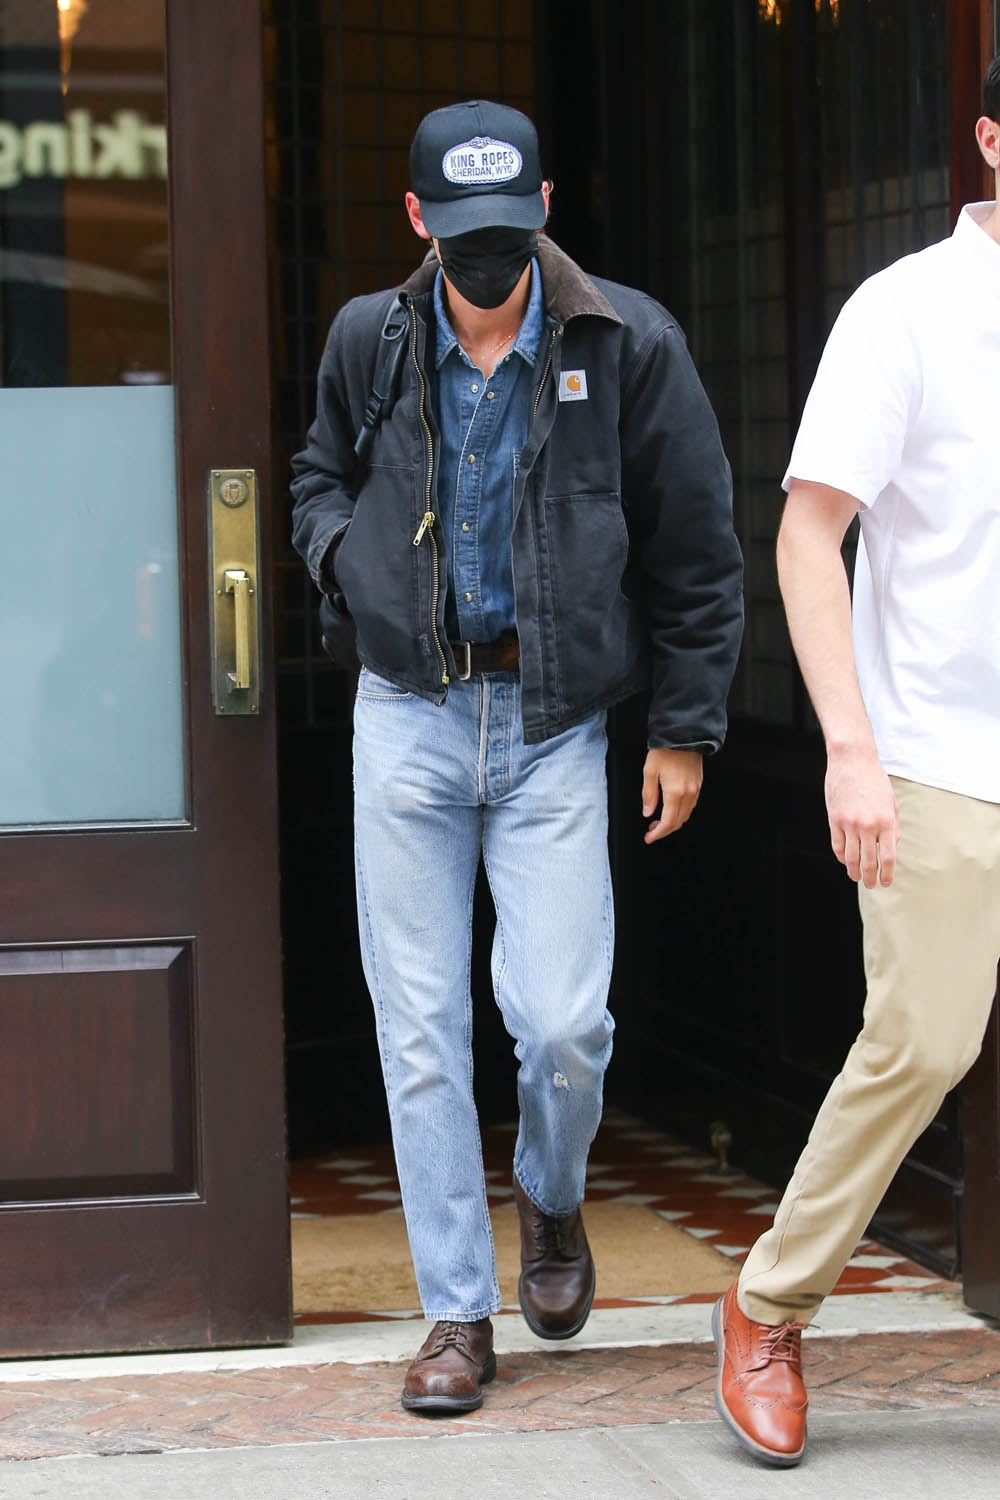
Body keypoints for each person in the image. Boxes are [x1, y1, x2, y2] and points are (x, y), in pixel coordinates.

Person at [292, 99, 743, 1415]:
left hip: (554, 725)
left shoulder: (626, 341)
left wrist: (685, 728)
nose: (488, 259)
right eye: (461, 232)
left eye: (510, 228)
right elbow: (315, 480)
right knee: (421, 1029)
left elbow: (697, 545)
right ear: (418, 220)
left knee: (562, 1026)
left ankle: (552, 1197)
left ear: (543, 208)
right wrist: (348, 563)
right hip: (408, 714)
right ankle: (455, 1313)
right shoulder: (369, 340)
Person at [714, 59, 1000, 1468]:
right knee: (926, 1038)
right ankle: (768, 1306)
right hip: (940, 747)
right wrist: (850, 751)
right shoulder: (907, 312)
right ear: (992, 140)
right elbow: (807, 534)